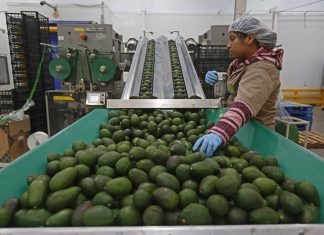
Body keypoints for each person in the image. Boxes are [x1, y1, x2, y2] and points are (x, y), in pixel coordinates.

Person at [193, 16, 284, 157]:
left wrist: (219, 132)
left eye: (232, 38)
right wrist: (219, 77)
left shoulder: (262, 69)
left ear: (249, 38)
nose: (228, 45)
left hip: (257, 138)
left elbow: (244, 105)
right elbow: (237, 85)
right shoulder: (240, 63)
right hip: (239, 129)